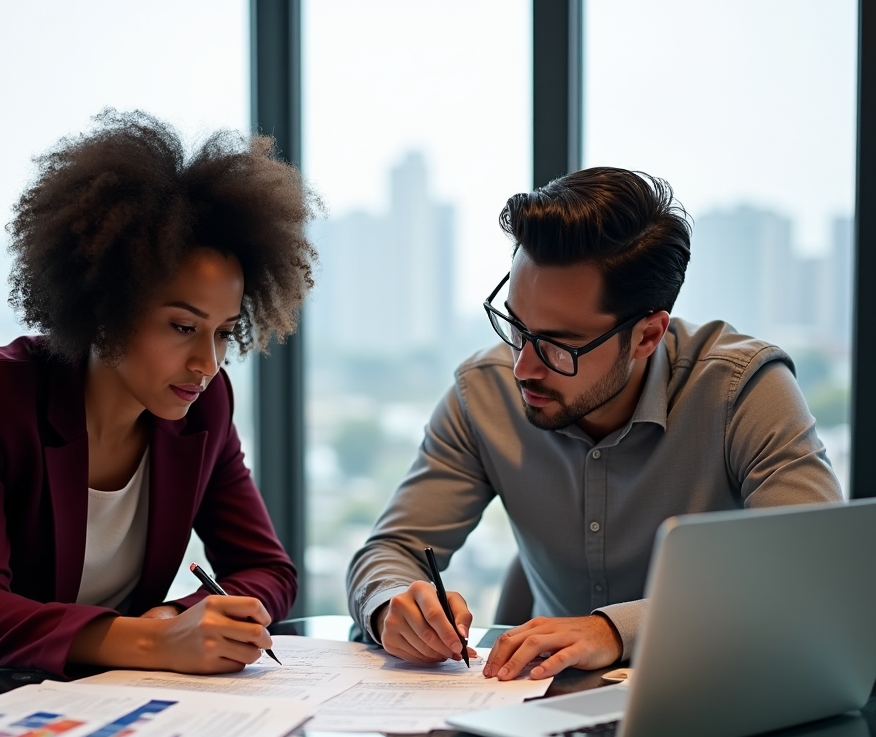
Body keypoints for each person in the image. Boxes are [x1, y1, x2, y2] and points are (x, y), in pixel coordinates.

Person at [0, 111, 316, 688]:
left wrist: (177, 618)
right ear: (106, 309)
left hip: (91, 703)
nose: (208, 363)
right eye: (182, 327)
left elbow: (266, 569)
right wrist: (154, 641)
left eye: (224, 332)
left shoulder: (205, 405)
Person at [347, 168, 842, 682]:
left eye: (559, 345)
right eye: (516, 327)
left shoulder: (741, 389)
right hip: (543, 705)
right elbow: (389, 551)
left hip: (718, 692)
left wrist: (614, 631)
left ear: (648, 335)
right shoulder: (483, 391)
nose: (522, 367)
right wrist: (392, 607)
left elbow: (812, 575)